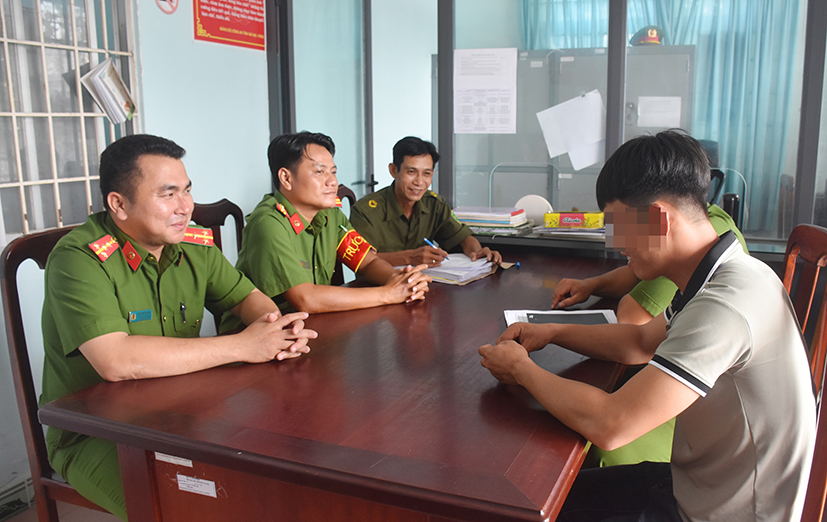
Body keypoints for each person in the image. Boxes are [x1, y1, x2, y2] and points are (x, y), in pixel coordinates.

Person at [478, 130, 815, 522]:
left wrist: (521, 369)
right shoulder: (722, 272)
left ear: (658, 218)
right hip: (699, 485)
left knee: (521, 504)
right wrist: (552, 332)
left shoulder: (724, 304)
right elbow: (639, 341)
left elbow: (612, 424)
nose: (616, 244)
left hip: (717, 512)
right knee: (538, 499)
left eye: (618, 226)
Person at [40, 134, 318, 520]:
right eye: (168, 194)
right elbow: (116, 360)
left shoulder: (193, 245)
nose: (185, 207)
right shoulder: (79, 259)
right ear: (118, 204)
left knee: (276, 477)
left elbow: (249, 300)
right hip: (101, 433)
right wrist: (244, 346)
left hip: (183, 414)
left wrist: (275, 331)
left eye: (187, 190)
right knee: (197, 510)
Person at [219, 131, 430, 331]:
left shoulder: (331, 215)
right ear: (286, 178)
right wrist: (387, 294)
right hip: (257, 335)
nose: (332, 181)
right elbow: (306, 299)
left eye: (333, 172)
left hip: (311, 326)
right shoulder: (268, 223)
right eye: (319, 172)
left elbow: (367, 262)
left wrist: (400, 281)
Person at [552, 203, 747, 326]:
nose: (620, 248)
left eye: (623, 226)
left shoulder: (700, 246)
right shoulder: (707, 218)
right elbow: (636, 272)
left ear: (658, 216)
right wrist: (591, 285)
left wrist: (551, 334)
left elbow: (633, 323)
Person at [349, 136, 502, 267]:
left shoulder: (434, 204)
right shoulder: (365, 211)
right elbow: (361, 260)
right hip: (378, 287)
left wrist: (477, 252)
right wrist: (410, 257)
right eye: (411, 172)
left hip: (423, 285)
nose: (419, 182)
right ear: (393, 170)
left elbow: (462, 237)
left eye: (426, 174)